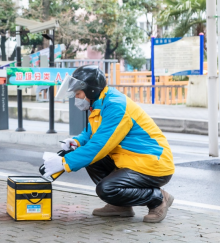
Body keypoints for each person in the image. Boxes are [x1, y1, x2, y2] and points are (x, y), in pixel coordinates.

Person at [43, 65, 175, 223]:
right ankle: (120, 205)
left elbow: (100, 145)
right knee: (91, 161)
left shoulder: (115, 105)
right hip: (131, 160)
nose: (76, 97)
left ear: (90, 90)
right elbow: (92, 132)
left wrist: (65, 162)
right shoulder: (100, 102)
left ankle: (158, 198)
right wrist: (76, 141)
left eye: (78, 93)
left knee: (106, 189)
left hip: (152, 164)